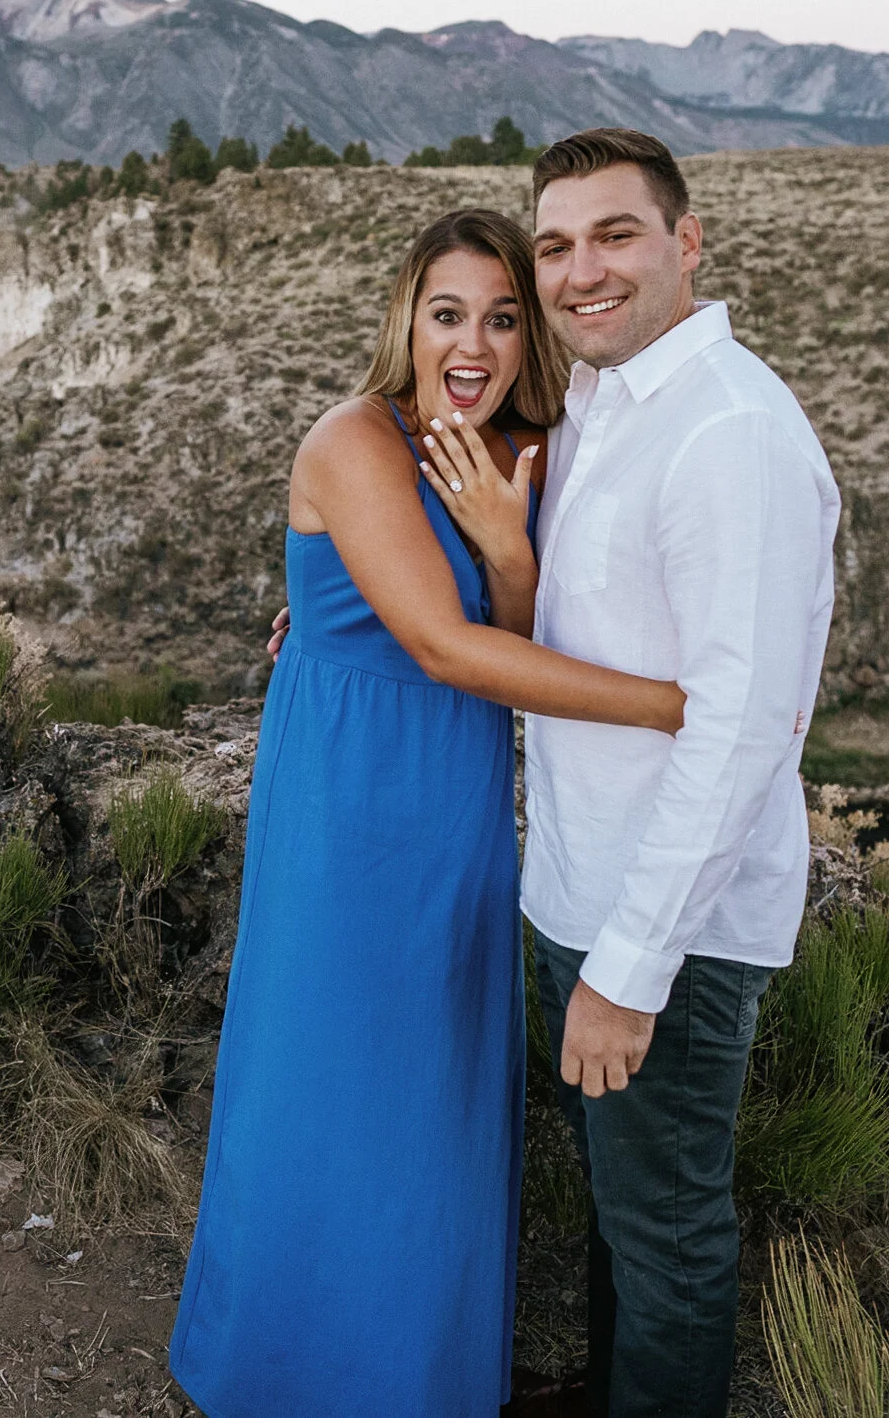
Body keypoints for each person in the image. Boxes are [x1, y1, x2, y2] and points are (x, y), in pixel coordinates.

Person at [168, 208, 688, 1418]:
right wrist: (678, 706)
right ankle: (277, 1375)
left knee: (436, 1089)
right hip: (347, 802)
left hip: (454, 799)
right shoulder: (353, 438)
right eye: (448, 314)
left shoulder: (523, 445)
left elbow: (515, 629)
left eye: (503, 318)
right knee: (328, 1071)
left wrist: (508, 551)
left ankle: (419, 1380)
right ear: (406, 317)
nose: (474, 344)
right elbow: (445, 649)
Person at [426, 129, 840, 1418]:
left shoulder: (730, 434)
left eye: (615, 235)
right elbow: (568, 625)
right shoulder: (605, 403)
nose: (580, 270)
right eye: (555, 245)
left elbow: (739, 731)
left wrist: (627, 969)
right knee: (620, 1205)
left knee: (667, 1232)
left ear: (686, 242)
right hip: (580, 888)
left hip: (665, 928)